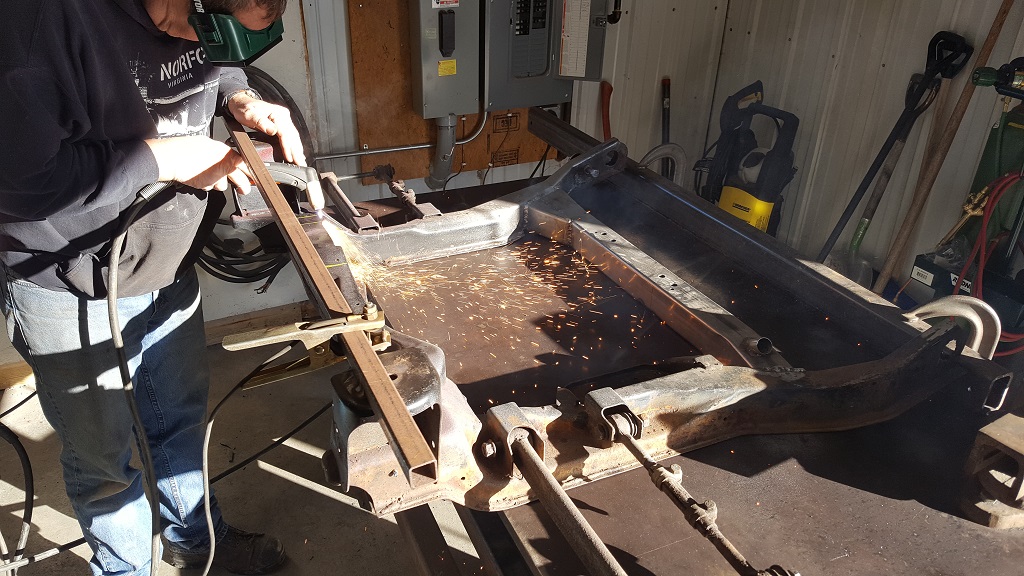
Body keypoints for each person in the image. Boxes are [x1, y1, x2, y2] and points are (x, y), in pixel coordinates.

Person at [0, 1, 318, 574]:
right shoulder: (37, 24)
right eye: (210, 30)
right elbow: (24, 183)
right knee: (104, 461)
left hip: (164, 262)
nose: (204, 46)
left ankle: (196, 542)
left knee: (179, 423)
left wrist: (240, 97)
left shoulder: (204, 21)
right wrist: (165, 158)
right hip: (68, 277)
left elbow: (216, 64)